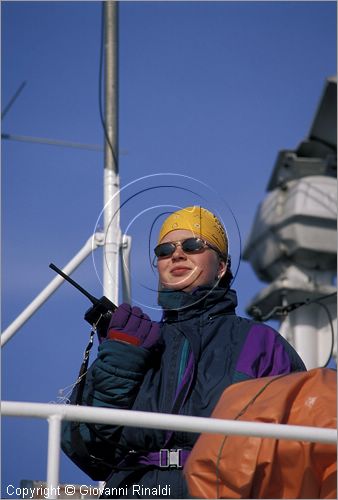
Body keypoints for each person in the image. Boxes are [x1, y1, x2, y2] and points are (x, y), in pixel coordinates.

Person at [61, 206, 306, 499]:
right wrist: (120, 360)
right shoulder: (133, 342)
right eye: (165, 250)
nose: (177, 254)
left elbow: (297, 450)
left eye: (193, 245)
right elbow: (86, 447)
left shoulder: (260, 343)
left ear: (222, 266)